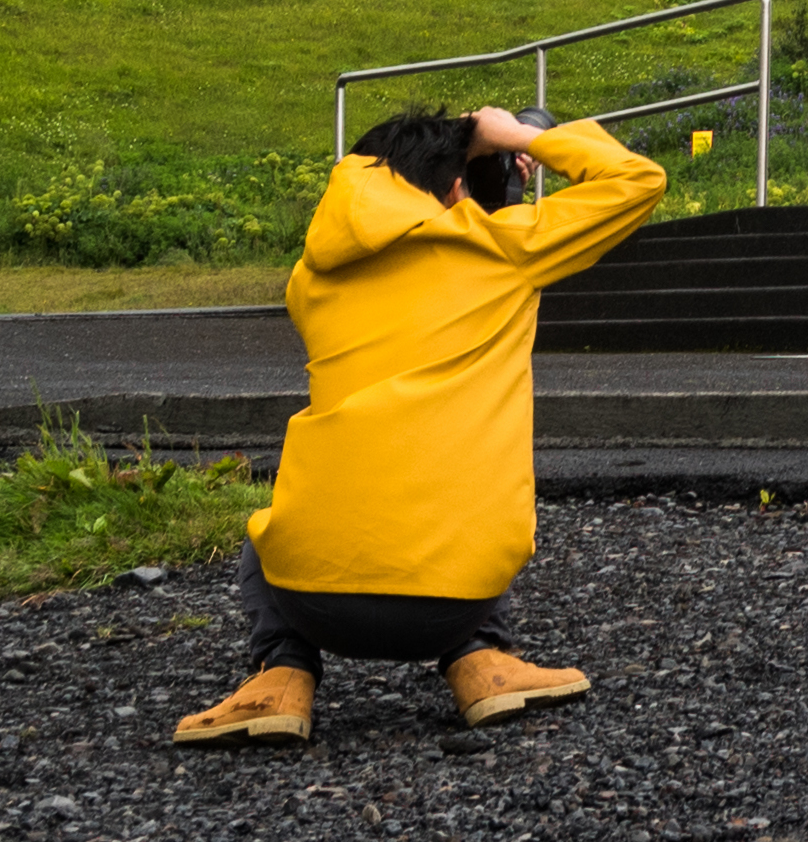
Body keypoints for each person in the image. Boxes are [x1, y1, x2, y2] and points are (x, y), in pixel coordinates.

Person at [170, 96, 666, 747]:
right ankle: (482, 660)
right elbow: (639, 180)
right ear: (456, 188)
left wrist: (449, 157)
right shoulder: (501, 252)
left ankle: (281, 677)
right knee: (461, 468)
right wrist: (516, 136)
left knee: (275, 525)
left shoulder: (309, 281)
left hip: (310, 596)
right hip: (456, 598)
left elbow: (381, 214)